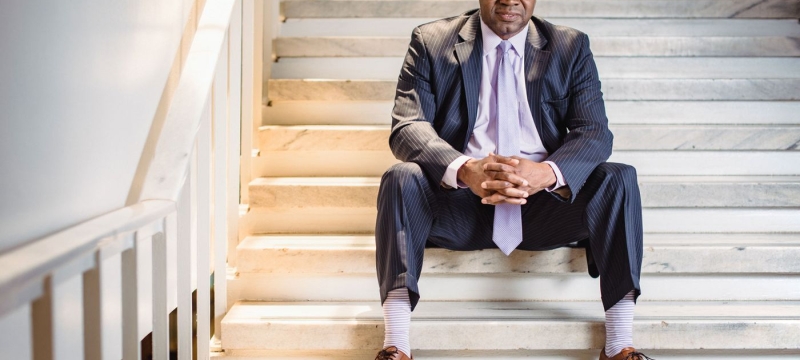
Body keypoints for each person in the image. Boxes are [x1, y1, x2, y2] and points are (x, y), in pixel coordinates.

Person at [374, 0, 651, 359]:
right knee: (400, 177)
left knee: (619, 178)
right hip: (460, 207)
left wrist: (546, 173)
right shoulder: (431, 41)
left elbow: (594, 132)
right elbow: (408, 126)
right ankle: (396, 343)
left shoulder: (570, 46)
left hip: (543, 207)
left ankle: (618, 344)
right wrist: (464, 170)